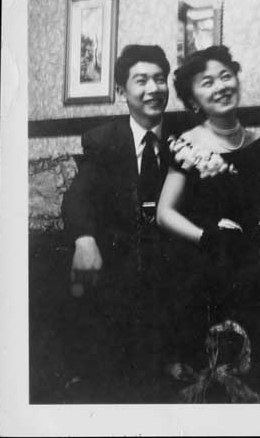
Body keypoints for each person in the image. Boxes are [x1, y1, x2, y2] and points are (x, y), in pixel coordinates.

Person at [156, 46, 260, 401]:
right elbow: (165, 213)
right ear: (194, 100)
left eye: (225, 76)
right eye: (207, 82)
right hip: (202, 248)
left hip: (250, 247)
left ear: (236, 79)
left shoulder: (258, 145)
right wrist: (207, 237)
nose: (220, 86)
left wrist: (258, 232)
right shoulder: (188, 144)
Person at [61, 44, 179, 401]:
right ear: (120, 91)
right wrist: (84, 239)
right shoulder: (104, 141)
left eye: (160, 79)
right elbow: (78, 195)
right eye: (141, 80)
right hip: (124, 256)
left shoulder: (187, 134)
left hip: (176, 255)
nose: (153, 89)